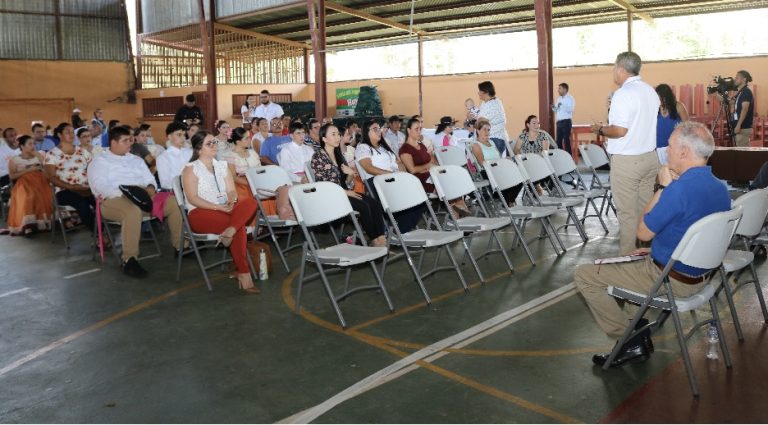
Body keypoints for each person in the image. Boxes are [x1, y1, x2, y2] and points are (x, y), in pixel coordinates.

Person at [575, 121, 729, 367]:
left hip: (670, 279)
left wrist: (661, 188)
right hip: (702, 275)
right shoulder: (721, 188)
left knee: (585, 275)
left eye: (670, 146)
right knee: (636, 260)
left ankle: (628, 340)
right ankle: (634, 326)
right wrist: (658, 250)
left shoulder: (678, 190)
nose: (666, 151)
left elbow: (643, 232)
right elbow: (690, 230)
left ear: (683, 152)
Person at [87, 126, 183, 278]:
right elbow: (99, 186)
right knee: (132, 210)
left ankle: (181, 247)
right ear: (113, 142)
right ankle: (129, 259)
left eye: (130, 140)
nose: (130, 143)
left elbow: (149, 178)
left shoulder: (136, 160)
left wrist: (151, 187)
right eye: (125, 140)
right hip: (113, 199)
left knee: (173, 202)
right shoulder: (99, 162)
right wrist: (129, 193)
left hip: (143, 196)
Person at [591, 51, 660, 255]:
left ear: (621, 69)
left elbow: (620, 131)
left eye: (614, 67)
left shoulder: (623, 93)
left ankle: (627, 259)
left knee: (628, 214)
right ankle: (646, 254)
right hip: (649, 158)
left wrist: (600, 129)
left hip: (628, 162)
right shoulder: (650, 91)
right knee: (645, 210)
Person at [181, 131, 260, 293]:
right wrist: (216, 207)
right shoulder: (191, 169)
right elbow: (192, 198)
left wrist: (231, 200)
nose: (214, 146)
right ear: (199, 148)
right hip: (201, 213)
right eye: (209, 144)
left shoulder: (222, 166)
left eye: (215, 142)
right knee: (239, 226)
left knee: (251, 202)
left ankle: (229, 232)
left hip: (225, 209)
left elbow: (231, 191)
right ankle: (244, 273)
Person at [311, 124, 387, 247]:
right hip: (331, 196)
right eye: (333, 134)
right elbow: (324, 185)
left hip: (345, 192)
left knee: (375, 204)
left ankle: (382, 240)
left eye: (338, 134)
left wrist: (351, 173)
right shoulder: (318, 157)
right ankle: (375, 241)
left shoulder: (338, 155)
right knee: (364, 206)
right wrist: (346, 192)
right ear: (324, 139)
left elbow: (347, 182)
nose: (337, 137)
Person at [399, 118, 471, 218]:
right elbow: (412, 170)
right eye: (416, 129)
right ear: (408, 130)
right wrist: (427, 166)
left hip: (431, 175)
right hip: (420, 181)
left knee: (452, 184)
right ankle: (460, 216)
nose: (419, 131)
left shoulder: (422, 146)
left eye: (420, 128)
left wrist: (431, 167)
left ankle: (459, 217)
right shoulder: (405, 149)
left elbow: (433, 162)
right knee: (450, 189)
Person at [44, 122, 96, 232]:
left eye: (72, 132)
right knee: (81, 203)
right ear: (59, 135)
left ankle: (101, 229)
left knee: (100, 202)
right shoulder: (52, 154)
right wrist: (71, 187)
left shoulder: (82, 151)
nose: (71, 135)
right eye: (68, 132)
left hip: (85, 188)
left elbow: (93, 170)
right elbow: (51, 177)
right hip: (64, 191)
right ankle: (99, 234)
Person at [6, 135, 53, 235]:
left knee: (48, 194)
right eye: (30, 144)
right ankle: (28, 226)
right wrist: (29, 170)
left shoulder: (40, 155)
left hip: (41, 181)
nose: (33, 146)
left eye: (34, 144)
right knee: (29, 196)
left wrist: (39, 157)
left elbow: (48, 169)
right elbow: (12, 176)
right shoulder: (14, 159)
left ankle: (49, 221)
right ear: (22, 146)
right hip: (24, 184)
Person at [470, 119, 522, 206]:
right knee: (506, 179)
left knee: (519, 177)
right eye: (484, 129)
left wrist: (506, 159)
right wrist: (497, 164)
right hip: (486, 171)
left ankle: (508, 201)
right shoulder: (476, 145)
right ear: (478, 131)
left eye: (488, 130)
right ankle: (506, 202)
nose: (487, 132)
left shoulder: (492, 142)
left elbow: (499, 158)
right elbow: (482, 163)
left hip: (498, 169)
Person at [222, 127, 261, 202]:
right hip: (241, 185)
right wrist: (251, 183)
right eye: (246, 138)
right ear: (238, 142)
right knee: (249, 201)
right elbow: (233, 177)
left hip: (258, 181)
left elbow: (260, 169)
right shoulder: (230, 156)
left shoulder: (253, 153)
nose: (250, 140)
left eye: (249, 137)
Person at [655, 83, 689, 165]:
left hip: (674, 148)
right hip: (657, 148)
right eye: (659, 97)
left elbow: (687, 127)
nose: (661, 100)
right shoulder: (654, 108)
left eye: (662, 97)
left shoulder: (679, 106)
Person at [156, 121, 193, 191]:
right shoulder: (163, 157)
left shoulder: (190, 152)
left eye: (184, 135)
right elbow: (165, 183)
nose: (183, 138)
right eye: (179, 135)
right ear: (169, 137)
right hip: (177, 192)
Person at [477, 81, 509, 155]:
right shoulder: (488, 102)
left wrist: (473, 121)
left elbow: (480, 123)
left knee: (490, 161)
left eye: (480, 91)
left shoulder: (492, 105)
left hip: (494, 139)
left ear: (485, 92)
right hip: (492, 138)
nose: (478, 93)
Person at [730, 70, 754, 147]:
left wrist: (738, 125)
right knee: (740, 151)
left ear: (744, 79)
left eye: (737, 78)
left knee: (743, 152)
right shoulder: (740, 92)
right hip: (739, 127)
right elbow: (730, 102)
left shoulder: (746, 92)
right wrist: (717, 94)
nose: (735, 80)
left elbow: (745, 109)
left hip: (743, 128)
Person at [553, 83, 575, 155]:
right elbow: (556, 110)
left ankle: (569, 157)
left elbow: (570, 109)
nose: (558, 90)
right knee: (558, 141)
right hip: (559, 122)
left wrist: (562, 105)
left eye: (560, 88)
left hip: (566, 122)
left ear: (565, 89)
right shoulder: (559, 98)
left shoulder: (570, 98)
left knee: (566, 140)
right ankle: (561, 156)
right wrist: (553, 108)